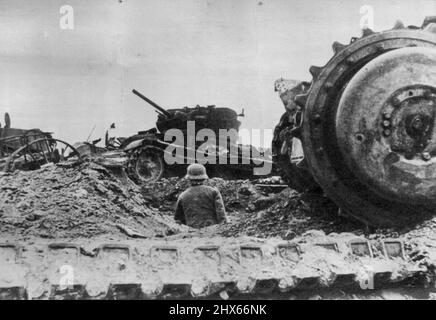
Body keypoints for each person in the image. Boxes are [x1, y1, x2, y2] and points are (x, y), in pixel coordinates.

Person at [175, 163, 227, 228]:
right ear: (204, 177)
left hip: (192, 232)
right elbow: (221, 214)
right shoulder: (213, 192)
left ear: (188, 178)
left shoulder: (183, 195)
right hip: (212, 230)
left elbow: (178, 219)